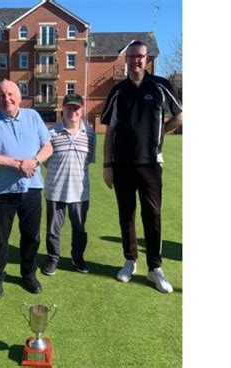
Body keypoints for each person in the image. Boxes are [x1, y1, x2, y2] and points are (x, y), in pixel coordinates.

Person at [101, 41, 183, 293]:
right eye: (132, 56)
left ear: (147, 59)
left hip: (150, 163)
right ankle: (130, 261)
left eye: (141, 56)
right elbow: (110, 130)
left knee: (153, 215)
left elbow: (179, 116)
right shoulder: (118, 91)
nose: (136, 60)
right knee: (126, 215)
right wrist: (107, 165)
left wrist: (159, 138)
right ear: (125, 59)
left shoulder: (160, 86)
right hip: (121, 164)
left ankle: (154, 268)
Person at [0, 79, 53, 299]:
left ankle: (28, 274)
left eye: (10, 94)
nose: (6, 99)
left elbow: (47, 146)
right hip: (1, 192)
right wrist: (19, 164)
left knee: (32, 236)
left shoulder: (33, 117)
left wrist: (34, 162)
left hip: (31, 188)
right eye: (1, 95)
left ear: (19, 97)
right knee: (0, 238)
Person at [42, 93, 96, 276]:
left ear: (82, 110)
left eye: (76, 108)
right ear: (62, 109)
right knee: (52, 230)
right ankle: (53, 259)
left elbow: (88, 161)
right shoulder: (51, 133)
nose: (73, 111)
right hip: (55, 190)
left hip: (80, 193)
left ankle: (77, 258)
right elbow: (45, 160)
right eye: (69, 108)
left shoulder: (90, 134)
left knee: (79, 229)